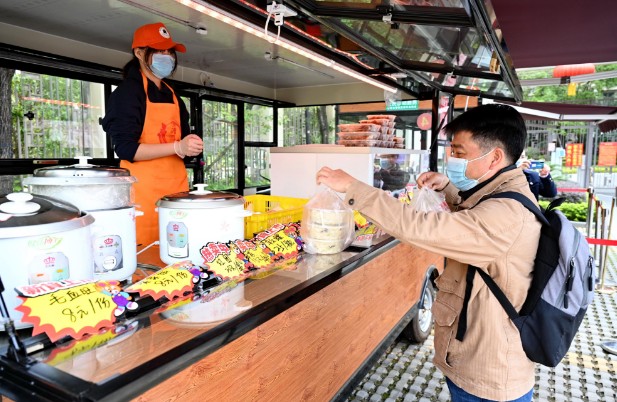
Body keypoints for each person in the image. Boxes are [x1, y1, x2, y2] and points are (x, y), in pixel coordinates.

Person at [316, 104, 539, 401]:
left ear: (495, 157)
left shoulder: (506, 215)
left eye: (460, 153)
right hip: (477, 359)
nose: (452, 159)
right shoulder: (503, 195)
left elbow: (421, 227)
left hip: (490, 377)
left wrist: (355, 188)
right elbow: (474, 217)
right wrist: (448, 187)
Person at [102, 22, 204, 247]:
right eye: (159, 51)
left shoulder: (174, 96)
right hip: (142, 197)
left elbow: (183, 147)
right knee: (146, 259)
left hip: (176, 195)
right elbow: (127, 149)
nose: (166, 56)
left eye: (169, 51)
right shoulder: (127, 94)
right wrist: (176, 147)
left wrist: (191, 148)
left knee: (178, 249)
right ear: (139, 53)